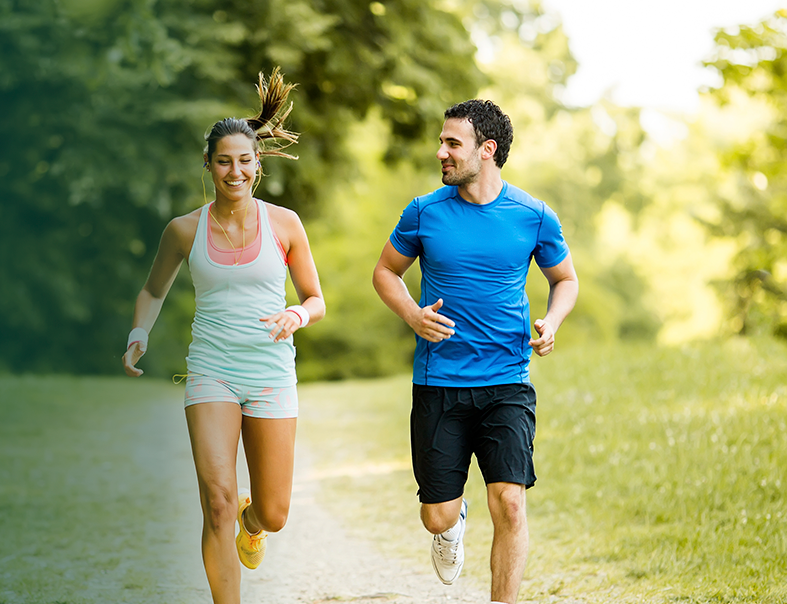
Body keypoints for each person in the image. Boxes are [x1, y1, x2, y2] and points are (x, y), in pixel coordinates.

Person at [121, 68, 325, 604]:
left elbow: (315, 299)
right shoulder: (184, 230)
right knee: (216, 503)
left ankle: (251, 523)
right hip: (212, 371)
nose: (235, 171)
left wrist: (296, 315)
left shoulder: (285, 224)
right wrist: (140, 331)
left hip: (271, 372)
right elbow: (152, 290)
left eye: (244, 161)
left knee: (274, 512)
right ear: (209, 165)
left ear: (258, 164)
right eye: (223, 161)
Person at [371, 100, 579, 604]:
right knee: (436, 515)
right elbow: (385, 272)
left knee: (510, 504)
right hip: (439, 381)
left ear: (487, 149)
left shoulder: (533, 215)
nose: (440, 152)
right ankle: (452, 522)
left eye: (452, 143)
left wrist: (551, 322)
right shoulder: (423, 212)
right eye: (441, 142)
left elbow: (566, 280)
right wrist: (412, 315)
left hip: (507, 380)